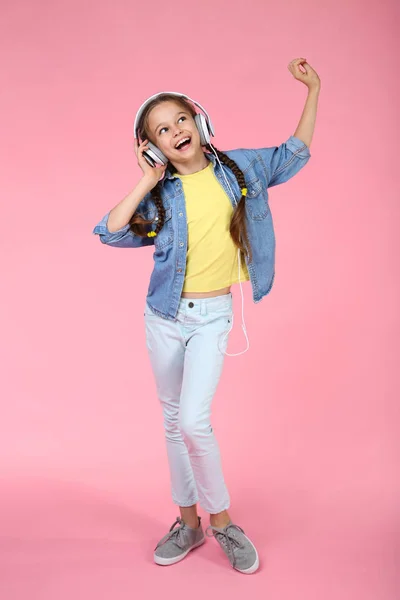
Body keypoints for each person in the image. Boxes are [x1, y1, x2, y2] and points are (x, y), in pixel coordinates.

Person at [92, 58, 320, 574]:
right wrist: (147, 180)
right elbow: (109, 229)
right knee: (174, 422)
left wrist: (314, 90)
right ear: (152, 145)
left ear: (200, 123)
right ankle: (188, 523)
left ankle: (223, 523)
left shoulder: (239, 169)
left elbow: (295, 153)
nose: (176, 132)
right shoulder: (161, 193)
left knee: (194, 420)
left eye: (181, 120)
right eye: (161, 131)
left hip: (213, 314)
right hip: (164, 317)